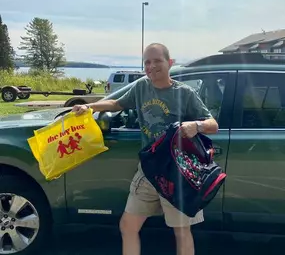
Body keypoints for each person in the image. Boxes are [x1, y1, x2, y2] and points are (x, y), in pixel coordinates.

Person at [72, 43, 219, 255]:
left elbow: (213, 125)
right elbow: (116, 104)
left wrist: (196, 126)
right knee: (128, 226)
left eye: (157, 61)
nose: (151, 66)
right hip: (148, 171)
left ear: (170, 63)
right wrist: (89, 107)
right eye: (147, 62)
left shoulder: (185, 93)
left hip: (176, 174)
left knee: (181, 231)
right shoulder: (142, 87)